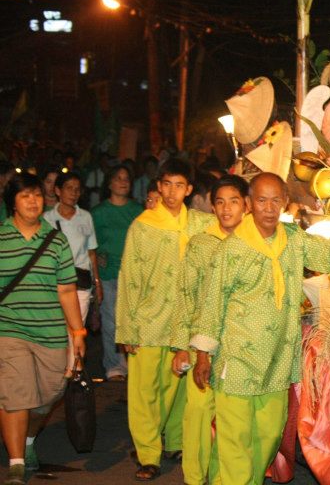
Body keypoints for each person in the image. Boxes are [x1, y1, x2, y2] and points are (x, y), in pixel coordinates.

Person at [190, 173, 330, 485]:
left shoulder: (293, 239)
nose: (269, 208)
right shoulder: (231, 249)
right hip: (237, 360)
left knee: (268, 436)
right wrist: (203, 353)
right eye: (261, 200)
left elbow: (328, 255)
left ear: (284, 202)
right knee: (235, 439)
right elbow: (212, 301)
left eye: (275, 200)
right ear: (249, 204)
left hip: (277, 360)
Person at [115, 158, 214, 481]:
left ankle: (174, 441)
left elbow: (232, 228)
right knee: (145, 390)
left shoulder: (199, 224)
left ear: (188, 190)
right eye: (166, 184)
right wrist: (126, 328)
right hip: (146, 320)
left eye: (179, 185)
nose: (172, 192)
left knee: (178, 387)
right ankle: (147, 453)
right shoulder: (143, 225)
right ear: (158, 187)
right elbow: (130, 277)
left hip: (183, 322)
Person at [0, 173, 86, 485]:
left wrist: (78, 333)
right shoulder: (1, 238)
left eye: (37, 194)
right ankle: (17, 463)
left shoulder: (55, 240)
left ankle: (28, 440)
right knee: (16, 393)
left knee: (49, 394)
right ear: (12, 202)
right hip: (9, 330)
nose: (33, 201)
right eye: (25, 196)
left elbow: (66, 290)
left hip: (49, 331)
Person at [169, 175, 248, 485]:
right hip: (202, 341)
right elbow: (185, 294)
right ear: (213, 207)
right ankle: (193, 476)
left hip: (240, 345)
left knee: (230, 418)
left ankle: (219, 478)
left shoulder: (254, 243)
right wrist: (179, 346)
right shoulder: (201, 244)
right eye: (219, 202)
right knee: (199, 411)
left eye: (234, 201)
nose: (226, 208)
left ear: (246, 205)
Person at [43, 171, 101, 372]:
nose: (74, 193)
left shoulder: (86, 217)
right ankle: (56, 372)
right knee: (56, 328)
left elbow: (91, 252)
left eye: (77, 189)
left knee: (76, 329)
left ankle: (72, 374)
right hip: (54, 282)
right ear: (57, 191)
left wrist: (97, 284)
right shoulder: (47, 219)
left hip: (81, 281)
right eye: (69, 188)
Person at [91, 164, 142, 381]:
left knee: (132, 320)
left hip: (133, 275)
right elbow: (90, 244)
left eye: (126, 179)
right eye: (118, 178)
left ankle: (132, 361)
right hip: (109, 273)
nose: (122, 182)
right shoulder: (98, 213)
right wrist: (98, 256)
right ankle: (114, 366)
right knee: (111, 320)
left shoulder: (137, 211)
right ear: (109, 183)